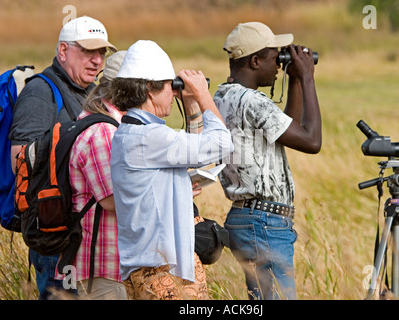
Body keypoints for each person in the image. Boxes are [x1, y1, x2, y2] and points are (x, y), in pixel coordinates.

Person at [110, 40, 233, 300]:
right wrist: (202, 95)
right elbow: (222, 144)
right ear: (149, 90)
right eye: (170, 86)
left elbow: (195, 155)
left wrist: (191, 107)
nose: (173, 93)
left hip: (146, 269)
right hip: (162, 274)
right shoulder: (150, 137)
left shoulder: (130, 132)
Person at [9, 16, 117, 300]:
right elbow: (20, 160)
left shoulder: (88, 92)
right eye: (88, 51)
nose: (97, 61)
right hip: (55, 233)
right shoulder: (40, 93)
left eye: (102, 53)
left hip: (77, 232)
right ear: (63, 51)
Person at [213, 22, 322, 300]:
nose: (278, 64)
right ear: (254, 60)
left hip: (244, 218)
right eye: (275, 57)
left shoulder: (222, 96)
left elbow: (290, 128)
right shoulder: (253, 102)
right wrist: (308, 77)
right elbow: (311, 141)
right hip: (264, 223)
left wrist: (294, 78)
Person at [54, 50, 127, 300]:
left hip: (103, 266)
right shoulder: (103, 132)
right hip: (103, 267)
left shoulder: (98, 121)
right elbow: (111, 200)